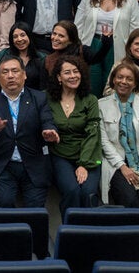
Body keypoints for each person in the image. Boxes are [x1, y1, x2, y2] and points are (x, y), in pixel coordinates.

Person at [0, 55, 60, 208]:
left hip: (33, 164)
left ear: (24, 74)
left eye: (15, 71)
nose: (10, 76)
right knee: (4, 202)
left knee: (35, 208)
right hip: (2, 164)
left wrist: (50, 131)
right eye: (5, 72)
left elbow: (47, 120)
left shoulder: (39, 97)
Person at [98, 62, 139, 228]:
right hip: (117, 163)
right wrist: (122, 167)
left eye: (129, 79)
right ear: (113, 80)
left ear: (135, 83)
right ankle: (129, 244)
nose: (124, 81)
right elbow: (104, 142)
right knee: (128, 198)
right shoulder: (102, 105)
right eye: (120, 77)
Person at [75, 0, 139, 96]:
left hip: (117, 47)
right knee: (92, 85)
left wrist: (130, 52)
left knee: (112, 84)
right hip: (92, 46)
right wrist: (81, 46)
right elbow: (78, 24)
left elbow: (135, 29)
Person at [46, 55, 102, 217]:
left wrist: (84, 164)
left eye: (76, 72)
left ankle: (90, 234)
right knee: (72, 191)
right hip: (60, 154)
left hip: (89, 155)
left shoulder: (90, 100)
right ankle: (70, 233)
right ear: (59, 77)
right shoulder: (47, 98)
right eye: (67, 72)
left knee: (89, 192)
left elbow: (93, 133)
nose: (73, 76)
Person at [0, 22, 47, 91]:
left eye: (22, 35)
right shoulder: (4, 54)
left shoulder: (41, 57)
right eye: (15, 37)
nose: (19, 39)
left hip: (34, 98)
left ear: (29, 36)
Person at [44, 20, 111, 79]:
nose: (55, 38)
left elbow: (97, 58)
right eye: (54, 34)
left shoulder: (82, 51)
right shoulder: (48, 60)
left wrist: (106, 44)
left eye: (61, 36)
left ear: (71, 40)